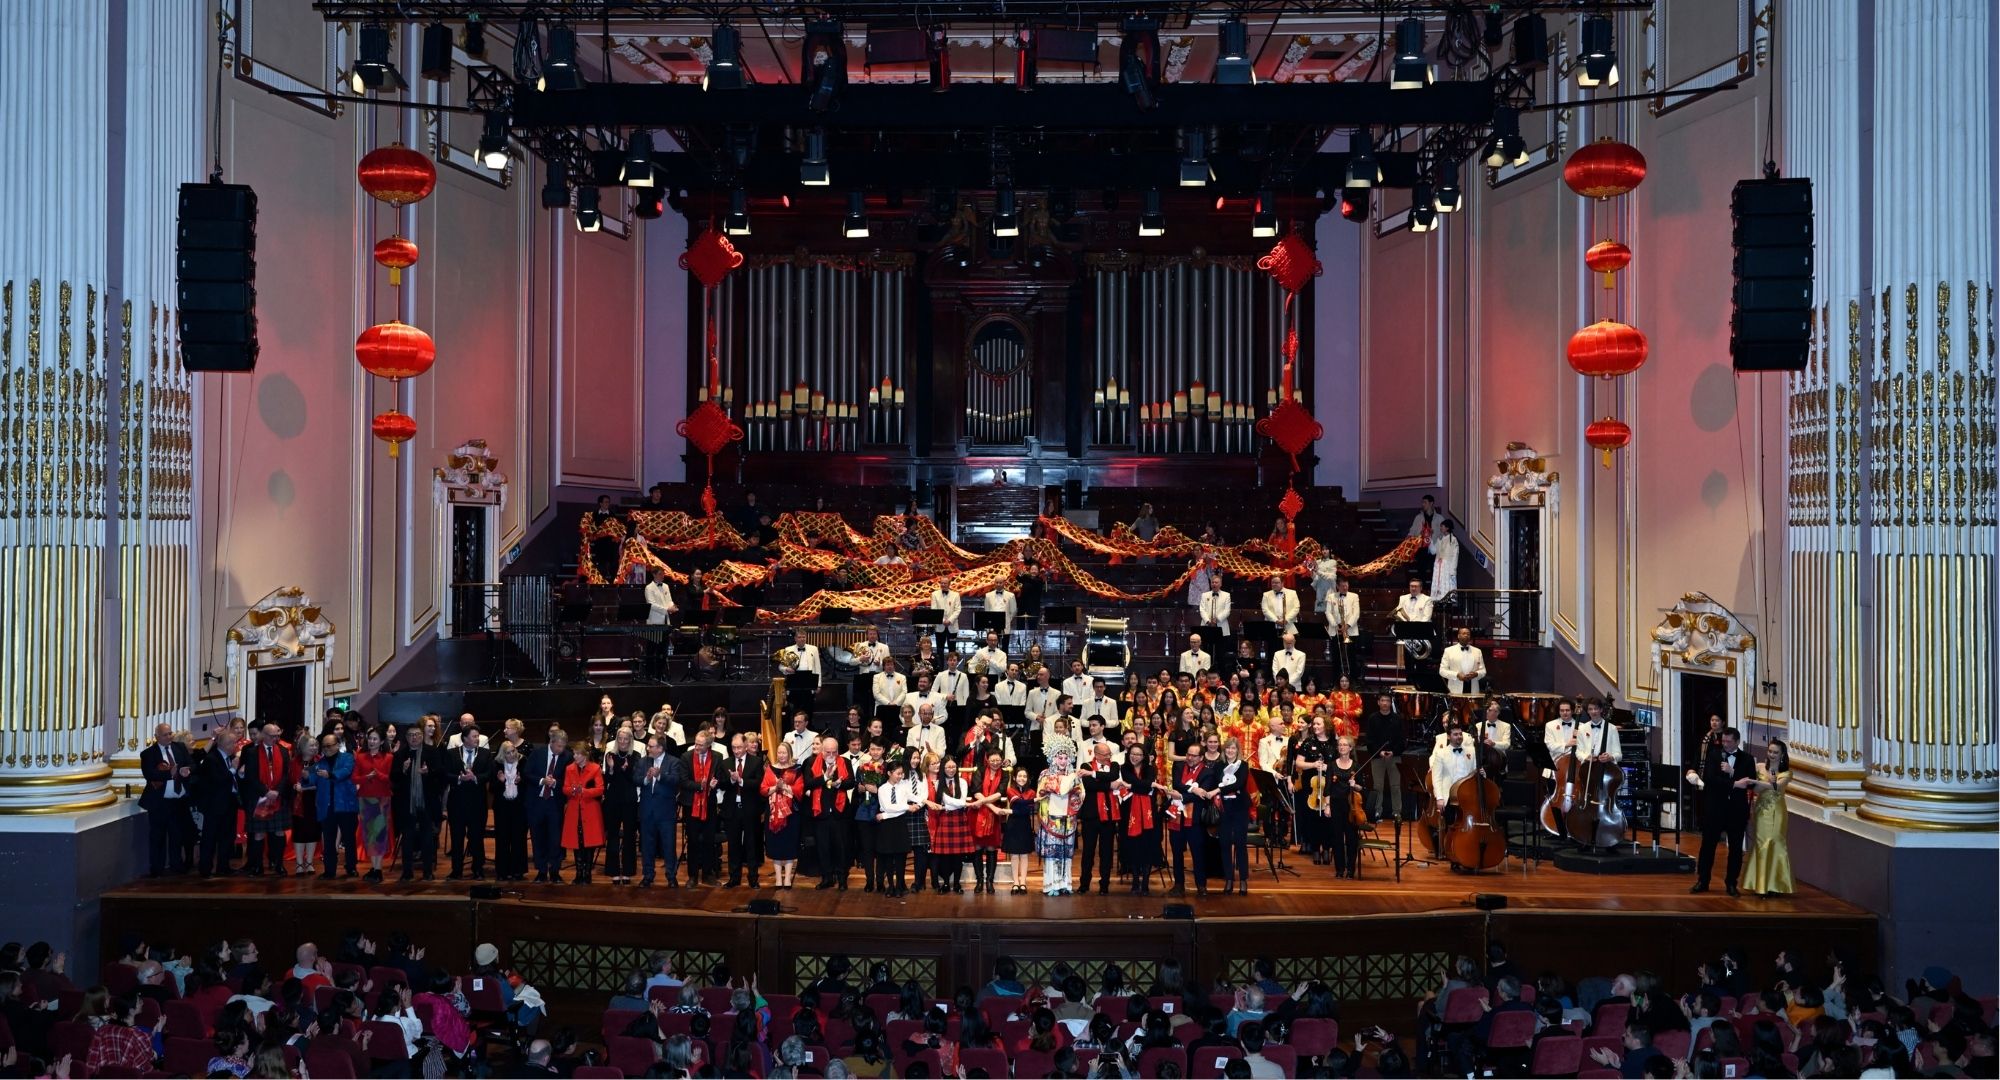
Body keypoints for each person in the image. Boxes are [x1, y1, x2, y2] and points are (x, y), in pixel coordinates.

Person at [1687, 726, 1757, 896]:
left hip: (1736, 810)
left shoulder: (1747, 759)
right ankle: (1703, 881)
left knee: (1735, 849)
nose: (1725, 744)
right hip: (1715, 808)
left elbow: (1751, 782)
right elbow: (1710, 779)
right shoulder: (1714, 755)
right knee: (1707, 846)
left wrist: (1733, 772)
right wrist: (1734, 783)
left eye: (1729, 741)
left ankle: (1731, 883)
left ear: (1737, 741)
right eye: (1723, 740)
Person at [392, 721, 449, 881]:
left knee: (427, 837)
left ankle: (427, 871)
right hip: (406, 804)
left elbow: (442, 776)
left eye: (417, 735)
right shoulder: (400, 755)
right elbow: (393, 779)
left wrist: (428, 772)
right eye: (411, 735)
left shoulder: (432, 752)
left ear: (422, 736)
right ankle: (407, 872)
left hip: (427, 802)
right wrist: (403, 770)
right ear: (407, 738)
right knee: (408, 837)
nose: (414, 738)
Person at [1171, 732, 1224, 897]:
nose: (1190, 758)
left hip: (1195, 819)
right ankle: (1179, 884)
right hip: (1176, 816)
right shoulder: (1179, 767)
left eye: (1194, 756)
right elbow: (1176, 784)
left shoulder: (1208, 772)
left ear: (1201, 758)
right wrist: (1193, 789)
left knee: (1198, 853)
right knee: (1177, 852)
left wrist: (1182, 795)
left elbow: (1203, 794)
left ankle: (1201, 885)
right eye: (1188, 755)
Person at [1741, 739, 1795, 896]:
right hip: (1762, 810)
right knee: (1761, 843)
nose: (1772, 754)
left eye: (1775, 752)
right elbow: (1757, 789)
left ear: (1782, 754)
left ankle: (1777, 884)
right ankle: (1762, 885)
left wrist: (1755, 781)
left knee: (1776, 842)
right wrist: (1756, 782)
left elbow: (1776, 787)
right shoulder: (1759, 768)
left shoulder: (1786, 773)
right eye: (1770, 751)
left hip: (1777, 811)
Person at [139, 722, 193, 876]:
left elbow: (192, 764)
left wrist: (186, 770)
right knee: (158, 837)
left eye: (170, 733)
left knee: (177, 835)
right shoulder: (148, 754)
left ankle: (177, 864)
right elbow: (149, 775)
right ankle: (157, 868)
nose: (169, 737)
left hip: (178, 800)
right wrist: (170, 773)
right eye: (165, 734)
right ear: (156, 737)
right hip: (159, 803)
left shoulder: (180, 748)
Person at [242, 723, 294, 875]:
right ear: (263, 736)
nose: (275, 739)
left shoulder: (284, 751)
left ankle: (278, 864)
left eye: (277, 736)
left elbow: (286, 775)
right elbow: (250, 777)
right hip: (259, 797)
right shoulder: (251, 752)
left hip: (278, 797)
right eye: (272, 736)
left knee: (279, 832)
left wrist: (277, 791)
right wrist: (266, 792)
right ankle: (258, 866)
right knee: (258, 833)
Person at [445, 724, 496, 880]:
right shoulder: (452, 753)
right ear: (465, 738)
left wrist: (475, 777)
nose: (477, 739)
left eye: (478, 736)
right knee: (457, 837)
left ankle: (478, 869)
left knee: (476, 837)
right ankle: (456, 870)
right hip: (457, 803)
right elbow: (445, 774)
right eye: (474, 736)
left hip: (477, 803)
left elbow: (490, 773)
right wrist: (459, 778)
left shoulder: (485, 753)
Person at [523, 728, 573, 883]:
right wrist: (542, 781)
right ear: (551, 742)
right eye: (558, 746)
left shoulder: (567, 757)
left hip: (554, 803)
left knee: (555, 838)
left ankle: (555, 870)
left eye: (563, 746)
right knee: (538, 837)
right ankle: (541, 870)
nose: (561, 749)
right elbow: (527, 773)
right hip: (536, 802)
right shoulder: (537, 753)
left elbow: (569, 780)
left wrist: (555, 783)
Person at [805, 735, 855, 890]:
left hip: (840, 814)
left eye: (834, 752)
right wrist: (825, 776)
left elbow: (851, 782)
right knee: (823, 847)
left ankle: (842, 879)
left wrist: (840, 784)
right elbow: (808, 783)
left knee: (841, 848)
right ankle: (827, 878)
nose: (832, 755)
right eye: (828, 752)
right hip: (821, 813)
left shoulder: (844, 762)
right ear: (822, 751)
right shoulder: (811, 762)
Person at [1036, 743, 1084, 896]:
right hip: (1052, 818)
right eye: (1059, 757)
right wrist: (1054, 790)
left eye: (1065, 757)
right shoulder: (1045, 774)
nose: (1063, 761)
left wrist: (1075, 792)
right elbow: (1040, 794)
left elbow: (1081, 794)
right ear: (1053, 758)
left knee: (1066, 853)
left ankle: (1065, 884)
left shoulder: (1075, 775)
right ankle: (1051, 885)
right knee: (1052, 853)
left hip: (1068, 819)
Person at [721, 732, 768, 887]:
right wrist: (730, 780)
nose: (736, 751)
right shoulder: (726, 762)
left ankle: (753, 878)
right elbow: (722, 784)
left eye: (739, 747)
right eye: (734, 748)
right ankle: (734, 877)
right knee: (733, 845)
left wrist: (740, 780)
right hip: (732, 809)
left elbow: (758, 783)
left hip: (749, 809)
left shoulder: (755, 762)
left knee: (751, 844)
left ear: (746, 746)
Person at [1077, 742, 1123, 896]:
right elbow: (1090, 786)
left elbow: (1114, 776)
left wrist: (1095, 776)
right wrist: (1109, 785)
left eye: (1109, 754)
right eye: (1105, 755)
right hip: (1091, 816)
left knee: (1106, 852)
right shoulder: (1086, 765)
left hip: (1109, 816)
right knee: (1088, 852)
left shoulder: (1115, 764)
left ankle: (1105, 885)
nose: (1109, 757)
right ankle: (1084, 884)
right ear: (1096, 755)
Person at [637, 734, 683, 887]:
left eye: (651, 746)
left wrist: (660, 775)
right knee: (647, 846)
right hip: (647, 810)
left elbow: (676, 780)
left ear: (660, 748)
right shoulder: (643, 761)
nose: (648, 748)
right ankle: (648, 875)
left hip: (665, 812)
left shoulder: (674, 762)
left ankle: (671, 876)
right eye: (648, 745)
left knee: (669, 846)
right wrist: (646, 779)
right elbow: (635, 778)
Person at [927, 757, 976, 892]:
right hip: (945, 820)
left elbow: (956, 800)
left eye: (953, 766)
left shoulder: (963, 782)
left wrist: (957, 803)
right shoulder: (938, 783)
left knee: (958, 856)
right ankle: (947, 884)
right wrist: (965, 804)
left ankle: (957, 884)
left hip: (960, 819)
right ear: (943, 768)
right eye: (948, 767)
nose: (951, 769)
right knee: (945, 856)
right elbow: (947, 800)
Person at [761, 743, 807, 889]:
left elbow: (800, 790)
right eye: (779, 753)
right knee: (775, 844)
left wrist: (786, 787)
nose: (781, 755)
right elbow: (763, 789)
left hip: (790, 814)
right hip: (773, 813)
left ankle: (787, 878)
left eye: (784, 753)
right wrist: (776, 787)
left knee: (789, 844)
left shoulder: (796, 770)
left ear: (789, 754)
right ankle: (778, 878)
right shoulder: (769, 769)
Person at [352, 727, 394, 881]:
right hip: (365, 799)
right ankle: (374, 868)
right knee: (369, 834)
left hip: (382, 799)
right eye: (370, 739)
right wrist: (366, 777)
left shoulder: (389, 757)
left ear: (382, 741)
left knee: (380, 834)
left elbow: (391, 779)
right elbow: (354, 778)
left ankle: (378, 869)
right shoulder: (360, 756)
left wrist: (379, 775)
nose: (372, 742)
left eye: (375, 739)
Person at [316, 732, 359, 878]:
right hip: (327, 806)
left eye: (329, 746)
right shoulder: (320, 762)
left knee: (349, 838)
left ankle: (351, 867)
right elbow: (311, 778)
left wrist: (330, 775)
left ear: (337, 745)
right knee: (328, 840)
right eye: (324, 746)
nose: (326, 749)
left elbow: (345, 772)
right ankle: (329, 870)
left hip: (346, 804)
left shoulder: (348, 757)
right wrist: (305, 777)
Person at [561, 744, 606, 884]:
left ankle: (587, 873)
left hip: (590, 809)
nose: (574, 756)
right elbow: (565, 788)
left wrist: (584, 791)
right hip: (574, 809)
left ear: (585, 755)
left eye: (577, 754)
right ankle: (579, 872)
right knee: (577, 841)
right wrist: (572, 790)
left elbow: (600, 789)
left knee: (589, 842)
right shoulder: (569, 768)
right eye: (574, 754)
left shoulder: (595, 768)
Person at [875, 761, 919, 897]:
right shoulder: (882, 789)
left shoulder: (903, 787)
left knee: (901, 856)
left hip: (899, 823)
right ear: (889, 773)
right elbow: (889, 806)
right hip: (887, 826)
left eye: (902, 773)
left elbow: (915, 798)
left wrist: (884, 815)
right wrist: (906, 807)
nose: (901, 776)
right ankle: (891, 886)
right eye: (898, 773)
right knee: (888, 857)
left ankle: (900, 885)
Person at [1324, 735, 1363, 879]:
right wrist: (1327, 806)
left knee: (1352, 839)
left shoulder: (1356, 766)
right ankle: (1339, 869)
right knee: (1337, 838)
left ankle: (1351, 869)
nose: (1341, 747)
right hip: (1335, 804)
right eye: (1340, 744)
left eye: (1345, 745)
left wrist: (1355, 785)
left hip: (1351, 806)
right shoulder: (1332, 765)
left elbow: (1361, 788)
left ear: (1350, 748)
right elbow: (1327, 787)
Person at [1001, 766, 1037, 894]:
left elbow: (1025, 810)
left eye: (1025, 776)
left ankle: (1023, 882)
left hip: (1025, 825)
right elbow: (1022, 806)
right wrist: (1034, 800)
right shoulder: (1010, 790)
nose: (1022, 778)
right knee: (1015, 855)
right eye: (1020, 776)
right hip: (1013, 825)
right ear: (1015, 778)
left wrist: (1009, 810)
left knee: (1024, 855)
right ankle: (1015, 882)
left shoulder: (1031, 792)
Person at [291, 736, 323, 875]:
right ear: (303, 746)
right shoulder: (294, 762)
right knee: (299, 832)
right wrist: (294, 785)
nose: (314, 748)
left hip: (314, 800)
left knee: (312, 831)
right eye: (311, 745)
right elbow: (289, 779)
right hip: (298, 801)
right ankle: (299, 863)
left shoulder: (320, 761)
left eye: (316, 745)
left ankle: (309, 862)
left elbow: (322, 782)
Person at [1439, 628, 1486, 695]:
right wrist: (1457, 675)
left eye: (1468, 634)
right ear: (1458, 636)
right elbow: (1442, 671)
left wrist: (1476, 674)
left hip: (1473, 690)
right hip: (1455, 689)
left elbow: (1483, 671)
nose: (1466, 635)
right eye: (1464, 633)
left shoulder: (1477, 651)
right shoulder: (1448, 651)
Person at [1430, 518, 1461, 600]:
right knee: (1438, 583)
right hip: (1438, 565)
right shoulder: (1440, 539)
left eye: (1442, 526)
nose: (1440, 528)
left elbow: (1455, 555)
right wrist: (1429, 540)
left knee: (1447, 583)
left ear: (1447, 528)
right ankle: (1437, 599)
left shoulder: (1453, 540)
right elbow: (1433, 551)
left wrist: (1453, 569)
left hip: (1447, 566)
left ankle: (1448, 600)